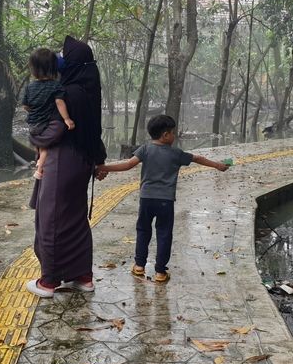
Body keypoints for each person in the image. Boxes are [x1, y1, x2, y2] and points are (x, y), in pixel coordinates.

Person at [95, 114, 229, 282]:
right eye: (172, 133)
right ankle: (160, 272)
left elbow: (128, 164)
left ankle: (139, 266)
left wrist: (103, 167)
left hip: (146, 199)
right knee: (164, 233)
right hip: (165, 201)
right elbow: (197, 158)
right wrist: (218, 165)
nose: (174, 136)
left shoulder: (145, 149)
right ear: (165, 135)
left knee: (143, 231)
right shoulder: (176, 154)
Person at [26, 36, 107, 298]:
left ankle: (48, 282)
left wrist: (34, 138)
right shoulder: (87, 90)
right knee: (75, 220)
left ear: (72, 64)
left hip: (61, 163)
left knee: (51, 221)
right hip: (82, 163)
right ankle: (82, 276)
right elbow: (95, 131)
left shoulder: (65, 93)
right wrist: (99, 159)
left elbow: (54, 130)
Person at [21, 48, 75, 179]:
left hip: (32, 124)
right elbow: (59, 103)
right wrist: (67, 119)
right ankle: (40, 168)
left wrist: (34, 110)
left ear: (33, 69)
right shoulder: (56, 86)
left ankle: (38, 159)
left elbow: (25, 106)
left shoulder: (29, 87)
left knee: (38, 143)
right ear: (53, 68)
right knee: (45, 145)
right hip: (45, 124)